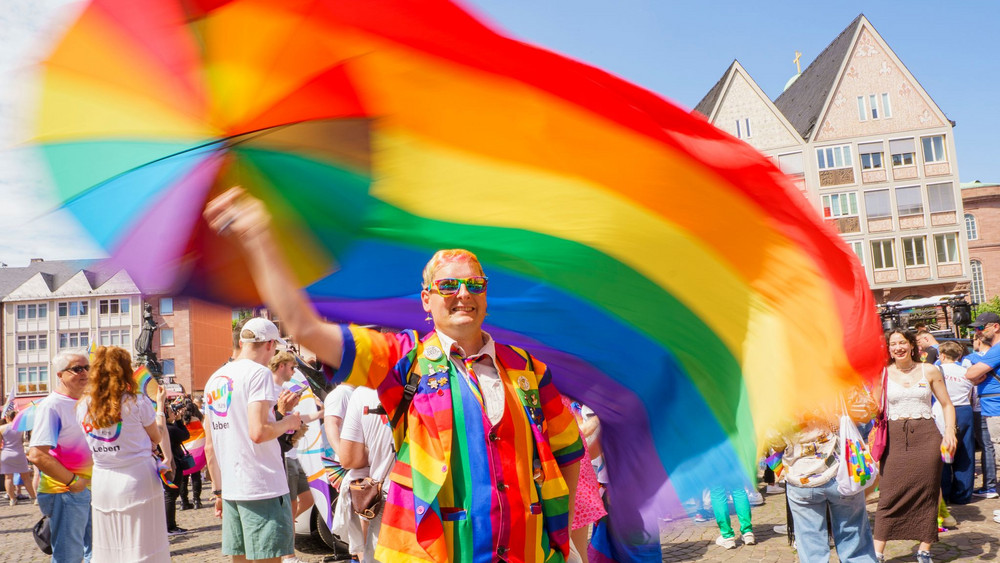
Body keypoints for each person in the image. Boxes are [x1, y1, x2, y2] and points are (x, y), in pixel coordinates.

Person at [205, 187, 584, 563]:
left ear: (485, 295)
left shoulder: (528, 369)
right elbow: (305, 330)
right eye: (448, 285)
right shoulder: (404, 360)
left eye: (474, 284)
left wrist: (557, 538)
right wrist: (259, 236)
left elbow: (567, 453)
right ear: (426, 299)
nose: (463, 293)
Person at [204, 316, 303, 563]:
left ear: (242, 341)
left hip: (232, 488)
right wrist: (289, 423)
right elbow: (258, 432)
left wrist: (218, 491)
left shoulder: (215, 378)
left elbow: (210, 445)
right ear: (270, 344)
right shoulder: (259, 374)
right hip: (261, 486)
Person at [75, 346, 171, 562]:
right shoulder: (135, 401)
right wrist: (161, 410)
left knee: (109, 542)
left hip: (103, 480)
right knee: (143, 542)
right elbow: (157, 436)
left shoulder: (83, 406)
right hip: (136, 477)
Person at [874, 330, 957, 563]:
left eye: (902, 342)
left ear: (912, 345)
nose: (898, 347)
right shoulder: (881, 374)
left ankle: (924, 549)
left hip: (927, 437)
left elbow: (947, 405)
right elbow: (873, 409)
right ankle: (877, 552)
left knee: (927, 493)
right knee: (888, 494)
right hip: (894, 440)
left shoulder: (929, 370)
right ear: (888, 349)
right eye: (893, 344)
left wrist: (950, 430)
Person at [777, 399, 877, 563]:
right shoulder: (833, 381)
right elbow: (866, 413)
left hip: (801, 477)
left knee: (812, 552)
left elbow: (774, 442)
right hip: (842, 472)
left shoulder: (779, 392)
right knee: (855, 546)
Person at [27, 350, 95, 562]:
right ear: (60, 374)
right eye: (77, 369)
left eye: (87, 367)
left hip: (89, 488)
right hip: (65, 491)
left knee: (97, 551)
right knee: (69, 556)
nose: (84, 372)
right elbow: (37, 454)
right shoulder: (51, 406)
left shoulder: (85, 402)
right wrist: (74, 481)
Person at [339, 386, 396, 563]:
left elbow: (348, 458)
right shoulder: (440, 379)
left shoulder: (363, 393)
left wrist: (374, 452)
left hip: (388, 498)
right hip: (434, 501)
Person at [936, 341, 975, 505]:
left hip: (942, 411)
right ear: (959, 356)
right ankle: (962, 494)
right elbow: (972, 395)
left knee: (943, 452)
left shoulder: (937, 371)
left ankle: (943, 493)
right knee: (965, 453)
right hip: (965, 410)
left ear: (942, 355)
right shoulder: (966, 372)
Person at [967, 333, 998, 498]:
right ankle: (990, 485)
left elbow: (969, 378)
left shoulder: (971, 358)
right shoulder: (993, 354)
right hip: (988, 407)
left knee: (987, 447)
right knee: (990, 447)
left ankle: (990, 486)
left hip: (982, 409)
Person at [163, 399, 191, 535]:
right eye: (171, 412)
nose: (174, 414)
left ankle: (169, 525)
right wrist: (179, 421)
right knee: (171, 494)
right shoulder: (170, 428)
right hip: (174, 464)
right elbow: (186, 435)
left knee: (170, 494)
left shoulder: (163, 427)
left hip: (170, 463)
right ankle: (170, 526)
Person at [1, 409, 37, 506]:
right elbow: (25, 440)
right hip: (19, 453)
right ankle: (33, 498)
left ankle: (12, 499)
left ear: (8, 418)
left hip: (6, 454)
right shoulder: (21, 428)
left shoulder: (2, 428)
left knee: (8, 478)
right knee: (26, 477)